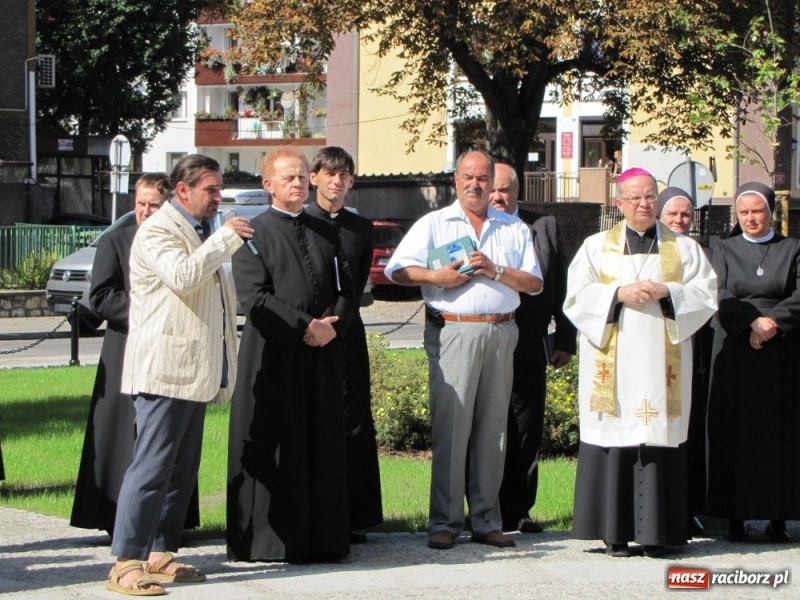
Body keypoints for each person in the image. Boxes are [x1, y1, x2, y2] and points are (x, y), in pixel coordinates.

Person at [106, 154, 252, 596]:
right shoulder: (157, 232)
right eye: (210, 189)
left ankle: (159, 552)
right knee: (151, 468)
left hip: (194, 371)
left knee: (180, 471)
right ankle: (125, 561)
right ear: (182, 190)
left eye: (219, 188)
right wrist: (225, 240)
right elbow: (184, 277)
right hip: (163, 371)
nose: (218, 197)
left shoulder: (196, 231)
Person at [384, 150, 542, 551]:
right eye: (467, 177)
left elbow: (535, 283)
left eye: (483, 178)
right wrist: (434, 275)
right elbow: (397, 269)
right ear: (456, 180)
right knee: (452, 430)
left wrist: (496, 270)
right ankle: (445, 521)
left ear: (494, 183)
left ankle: (487, 520)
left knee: (494, 431)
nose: (475, 184)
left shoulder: (513, 228)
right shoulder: (434, 224)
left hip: (501, 332)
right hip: (454, 332)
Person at [564, 167, 717, 558]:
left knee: (658, 436)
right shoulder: (596, 247)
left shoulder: (683, 249)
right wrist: (617, 294)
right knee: (616, 435)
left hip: (661, 365)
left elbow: (706, 294)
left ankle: (658, 534)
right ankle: (614, 534)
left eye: (650, 196)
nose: (644, 204)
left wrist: (670, 291)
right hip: (613, 365)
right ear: (619, 204)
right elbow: (576, 298)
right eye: (635, 198)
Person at [227, 148, 355, 563]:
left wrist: (331, 325)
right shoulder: (251, 233)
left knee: (321, 444)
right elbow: (255, 297)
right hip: (275, 355)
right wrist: (305, 328)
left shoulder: (325, 229)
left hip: (321, 357)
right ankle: (273, 542)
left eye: (302, 177)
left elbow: (346, 287)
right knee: (279, 445)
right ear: (268, 185)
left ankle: (323, 537)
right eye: (288, 178)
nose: (298, 184)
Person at [71, 174, 201, 539]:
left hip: (169, 350)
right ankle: (116, 518)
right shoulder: (116, 240)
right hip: (124, 346)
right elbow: (101, 296)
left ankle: (165, 525)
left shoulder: (180, 240)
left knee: (166, 441)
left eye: (153, 205)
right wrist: (150, 308)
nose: (144, 211)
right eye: (140, 204)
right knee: (122, 437)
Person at [706, 181, 800, 543]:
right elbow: (718, 290)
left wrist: (772, 323)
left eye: (756, 211)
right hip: (734, 347)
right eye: (743, 212)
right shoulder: (723, 248)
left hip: (783, 350)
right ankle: (735, 516)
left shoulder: (792, 248)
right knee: (736, 432)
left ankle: (779, 516)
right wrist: (751, 322)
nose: (750, 218)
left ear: (770, 211)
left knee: (780, 433)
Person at [489, 163, 576, 534]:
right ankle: (483, 508)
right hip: (486, 342)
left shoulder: (543, 227)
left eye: (505, 189)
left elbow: (562, 283)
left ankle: (519, 510)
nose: (497, 196)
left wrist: (566, 338)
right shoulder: (472, 226)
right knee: (487, 428)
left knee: (526, 428)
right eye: (492, 189)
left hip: (530, 344)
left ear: (517, 192)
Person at [306, 147, 383, 541]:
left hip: (348, 333)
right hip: (308, 333)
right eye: (329, 174)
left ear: (352, 182)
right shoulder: (300, 221)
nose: (337, 182)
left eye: (345, 176)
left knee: (353, 418)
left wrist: (341, 323)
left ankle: (354, 516)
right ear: (314, 176)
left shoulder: (360, 228)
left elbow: (355, 285)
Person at [656, 186, 709, 536]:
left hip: (693, 349)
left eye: (685, 214)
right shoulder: (647, 250)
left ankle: (689, 508)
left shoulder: (697, 251)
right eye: (672, 213)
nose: (679, 220)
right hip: (653, 351)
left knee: (690, 430)